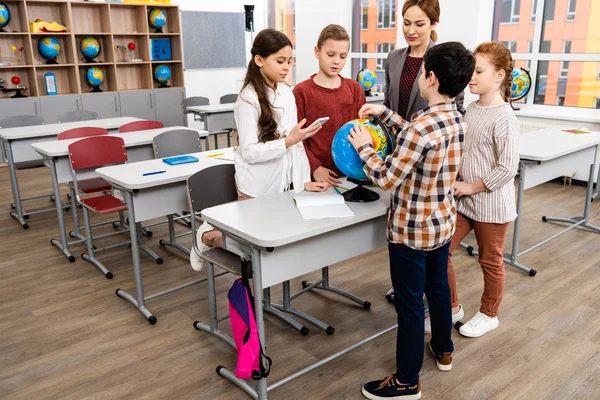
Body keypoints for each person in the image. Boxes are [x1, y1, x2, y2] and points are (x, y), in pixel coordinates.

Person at [349, 42, 475, 400]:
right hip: (441, 225)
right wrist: (386, 115)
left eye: (422, 72)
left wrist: (364, 148)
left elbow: (387, 177)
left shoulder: (421, 129)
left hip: (410, 232)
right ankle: (444, 348)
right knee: (437, 289)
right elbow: (416, 135)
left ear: (431, 78)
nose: (419, 76)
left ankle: (406, 381)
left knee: (408, 307)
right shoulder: (454, 118)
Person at [190, 29, 327, 271]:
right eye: (280, 61)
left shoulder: (286, 92)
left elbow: (296, 145)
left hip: (282, 184)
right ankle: (207, 237)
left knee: (274, 247)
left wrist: (303, 180)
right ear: (259, 60)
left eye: (290, 61)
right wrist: (287, 141)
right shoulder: (247, 99)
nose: (286, 67)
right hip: (256, 185)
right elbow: (250, 152)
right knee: (252, 251)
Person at [383, 0, 464, 304]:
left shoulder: (446, 61)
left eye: (419, 24)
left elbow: (454, 110)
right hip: (400, 147)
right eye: (406, 22)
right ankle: (405, 284)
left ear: (433, 24)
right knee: (403, 219)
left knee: (419, 229)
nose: (411, 30)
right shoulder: (394, 58)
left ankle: (423, 295)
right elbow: (392, 104)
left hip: (428, 156)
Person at [443, 41, 520, 338]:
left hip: (491, 205)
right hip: (464, 201)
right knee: (440, 252)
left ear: (499, 76)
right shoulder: (472, 108)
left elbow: (506, 169)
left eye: (478, 71)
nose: (470, 77)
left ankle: (490, 314)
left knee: (490, 261)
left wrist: (470, 186)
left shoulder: (505, 117)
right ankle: (451, 308)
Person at [293, 24, 365, 186]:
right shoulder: (301, 92)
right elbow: (297, 139)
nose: (336, 61)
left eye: (342, 56)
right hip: (317, 177)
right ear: (317, 52)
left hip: (351, 174)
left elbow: (363, 130)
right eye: (330, 54)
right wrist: (315, 167)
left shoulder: (355, 90)